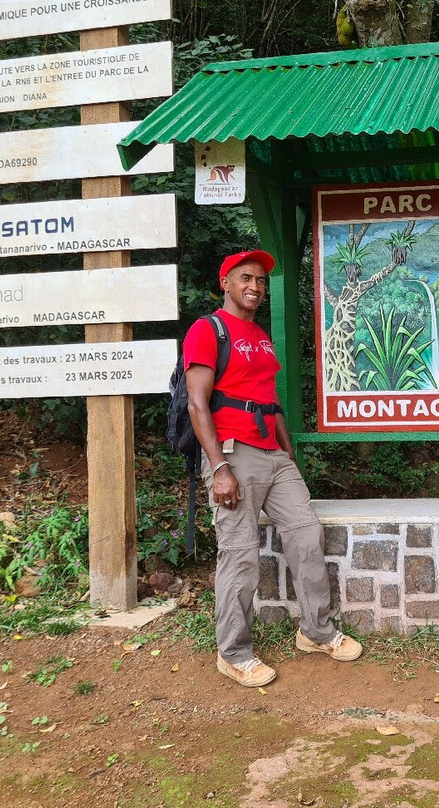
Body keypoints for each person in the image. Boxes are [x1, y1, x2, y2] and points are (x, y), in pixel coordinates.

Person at [184, 249, 362, 687]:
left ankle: (316, 632)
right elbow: (197, 404)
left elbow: (269, 399)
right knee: (240, 554)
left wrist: (287, 455)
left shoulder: (259, 336)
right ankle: (234, 652)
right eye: (246, 278)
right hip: (233, 451)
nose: (255, 287)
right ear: (224, 282)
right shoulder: (209, 330)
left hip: (272, 454)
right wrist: (219, 468)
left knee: (305, 533)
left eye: (261, 281)